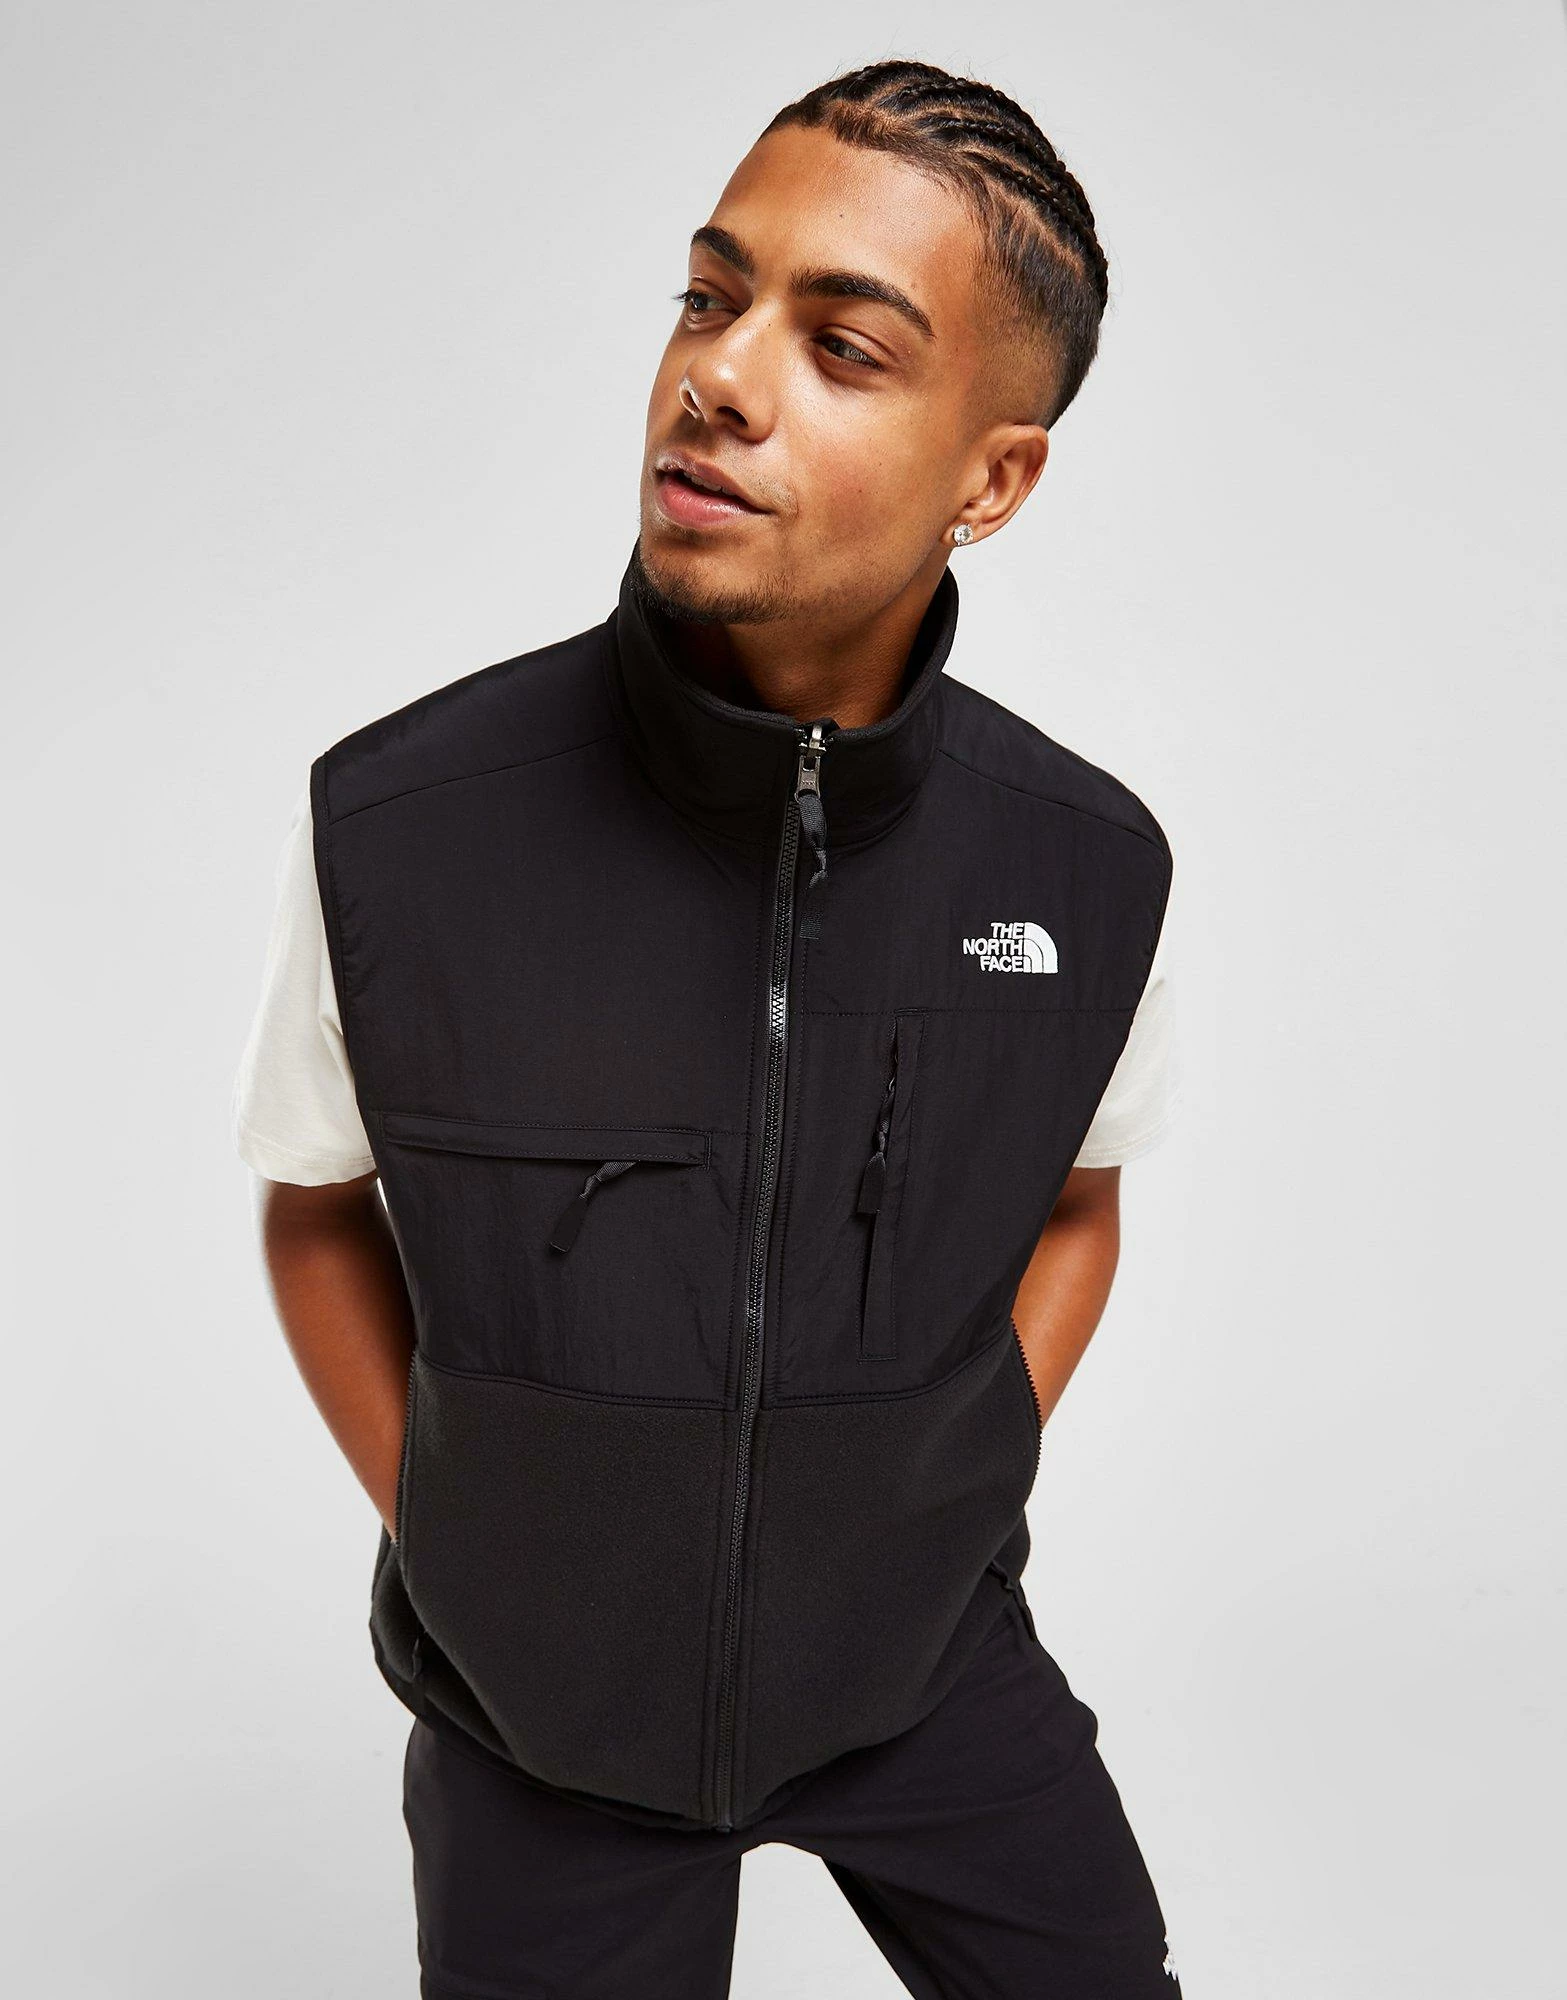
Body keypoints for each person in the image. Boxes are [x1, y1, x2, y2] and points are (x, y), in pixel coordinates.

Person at [234, 56, 1186, 1999]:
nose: (720, 378)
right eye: (708, 295)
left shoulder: (1085, 868)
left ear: (991, 479)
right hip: (542, 1727)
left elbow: (1080, 1200)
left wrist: (929, 1499)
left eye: (843, 346)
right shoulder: (404, 832)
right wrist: (479, 1547)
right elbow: (314, 1207)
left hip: (924, 1667)